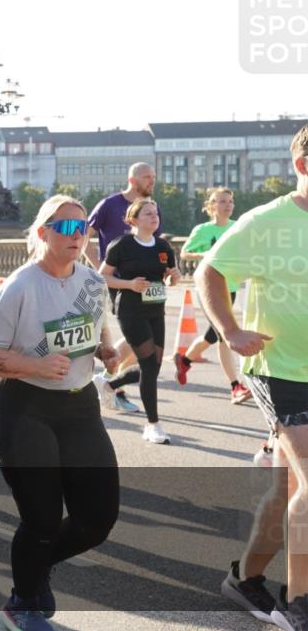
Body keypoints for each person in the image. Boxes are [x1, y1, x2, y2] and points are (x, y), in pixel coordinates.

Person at [0, 195, 121, 631]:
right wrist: (35, 365)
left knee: (97, 519)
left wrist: (104, 348)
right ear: (43, 233)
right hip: (22, 407)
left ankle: (36, 570)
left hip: (78, 406)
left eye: (83, 228)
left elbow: (96, 322)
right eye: (67, 228)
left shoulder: (92, 281)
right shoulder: (19, 286)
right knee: (42, 518)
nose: (79, 236)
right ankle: (22, 602)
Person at [198, 124, 308, 630]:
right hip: (280, 370)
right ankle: (300, 603)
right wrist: (229, 329)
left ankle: (246, 577)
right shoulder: (265, 222)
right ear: (303, 167)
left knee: (288, 488)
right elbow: (211, 272)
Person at [95, 199, 181, 443]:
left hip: (156, 309)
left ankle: (109, 384)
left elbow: (169, 280)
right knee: (148, 366)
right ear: (133, 220)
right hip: (131, 310)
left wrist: (174, 277)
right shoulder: (122, 245)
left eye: (156, 214)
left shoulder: (163, 246)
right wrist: (130, 284)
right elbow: (103, 277)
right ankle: (153, 425)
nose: (154, 218)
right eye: (148, 214)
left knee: (153, 367)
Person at [86, 162, 162, 413]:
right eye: (146, 177)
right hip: (119, 283)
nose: (152, 181)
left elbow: (153, 241)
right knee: (138, 340)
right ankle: (113, 384)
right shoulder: (110, 205)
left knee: (142, 342)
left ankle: (110, 382)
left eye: (153, 177)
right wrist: (100, 267)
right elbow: (85, 234)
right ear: (132, 179)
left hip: (147, 286)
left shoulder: (151, 208)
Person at [175, 187, 252, 404]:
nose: (228, 205)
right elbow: (184, 253)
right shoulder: (203, 230)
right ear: (211, 206)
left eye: (230, 201)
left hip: (231, 287)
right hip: (209, 287)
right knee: (224, 335)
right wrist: (205, 254)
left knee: (212, 335)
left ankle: (185, 360)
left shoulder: (237, 227)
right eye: (222, 201)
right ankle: (235, 386)